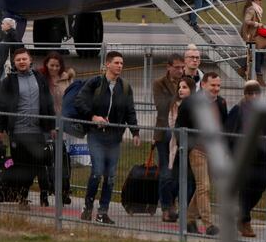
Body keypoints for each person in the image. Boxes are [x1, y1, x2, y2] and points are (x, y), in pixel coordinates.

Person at [76, 51, 141, 224]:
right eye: (116, 62)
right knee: (97, 172)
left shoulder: (125, 87)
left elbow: (130, 110)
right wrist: (93, 117)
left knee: (110, 177)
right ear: (107, 64)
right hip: (96, 135)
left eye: (122, 63)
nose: (120, 66)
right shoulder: (95, 83)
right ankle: (88, 207)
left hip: (114, 138)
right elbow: (80, 101)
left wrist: (135, 131)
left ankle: (102, 212)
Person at [0, 48, 56, 208]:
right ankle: (21, 197)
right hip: (19, 131)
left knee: (36, 164)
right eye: (18, 60)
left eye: (24, 59)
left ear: (30, 61)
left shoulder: (39, 78)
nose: (21, 62)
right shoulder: (9, 82)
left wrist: (52, 126)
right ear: (14, 63)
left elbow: (48, 103)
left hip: (37, 130)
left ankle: (22, 193)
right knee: (21, 165)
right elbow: (1, 106)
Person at [224, 80, 266, 238]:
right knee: (245, 188)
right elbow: (228, 133)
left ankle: (242, 213)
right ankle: (245, 221)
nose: (254, 97)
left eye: (256, 93)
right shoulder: (238, 110)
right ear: (245, 95)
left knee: (261, 185)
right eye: (250, 94)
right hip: (243, 156)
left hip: (262, 155)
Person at [175, 72, 227, 236]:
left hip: (214, 150)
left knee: (202, 189)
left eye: (218, 85)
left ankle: (189, 219)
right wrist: (185, 147)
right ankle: (208, 224)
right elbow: (179, 127)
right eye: (213, 85)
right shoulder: (190, 103)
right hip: (197, 150)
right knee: (204, 186)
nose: (216, 89)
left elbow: (223, 127)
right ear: (203, 85)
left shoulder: (221, 103)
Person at [38, 51, 74, 205]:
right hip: (45, 123)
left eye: (57, 66)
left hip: (62, 123)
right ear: (46, 65)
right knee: (45, 160)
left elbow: (72, 98)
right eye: (51, 65)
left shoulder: (66, 79)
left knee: (63, 159)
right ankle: (44, 193)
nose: (54, 68)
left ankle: (64, 190)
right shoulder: (41, 79)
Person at [152, 53, 184, 222]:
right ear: (169, 67)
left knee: (179, 172)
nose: (180, 70)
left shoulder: (186, 82)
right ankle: (166, 206)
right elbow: (161, 106)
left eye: (182, 67)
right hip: (164, 134)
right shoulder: (159, 84)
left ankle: (172, 202)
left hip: (181, 133)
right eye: (177, 67)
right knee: (166, 172)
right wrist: (179, 95)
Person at [169, 76, 196, 209]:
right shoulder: (175, 105)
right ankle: (172, 205)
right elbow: (173, 126)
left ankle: (186, 210)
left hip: (192, 148)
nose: (181, 90)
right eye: (179, 87)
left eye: (184, 87)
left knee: (190, 181)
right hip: (177, 146)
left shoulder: (196, 105)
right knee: (175, 179)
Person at [240, 0, 266, 87]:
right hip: (251, 37)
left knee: (257, 55)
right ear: (254, 0)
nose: (261, 2)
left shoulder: (257, 9)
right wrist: (257, 24)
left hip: (256, 35)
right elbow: (247, 21)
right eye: (259, 0)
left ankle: (242, 70)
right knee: (258, 55)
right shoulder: (251, 10)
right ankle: (259, 78)